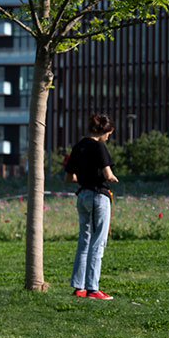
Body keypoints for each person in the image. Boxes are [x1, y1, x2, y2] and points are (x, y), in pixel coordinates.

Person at [65, 113, 118, 300]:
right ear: (104, 131)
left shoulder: (78, 147)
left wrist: (85, 176)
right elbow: (108, 174)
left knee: (84, 241)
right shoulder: (99, 147)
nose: (108, 138)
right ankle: (93, 288)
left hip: (83, 196)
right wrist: (113, 178)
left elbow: (69, 177)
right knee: (98, 242)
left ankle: (79, 287)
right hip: (98, 196)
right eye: (108, 134)